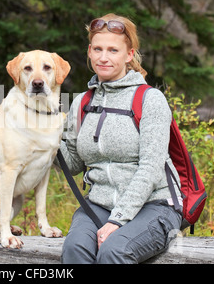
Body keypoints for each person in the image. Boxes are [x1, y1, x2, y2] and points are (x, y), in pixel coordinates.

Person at [60, 13, 182, 264]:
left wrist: (119, 219)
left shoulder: (149, 100)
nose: (104, 57)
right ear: (90, 52)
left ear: (129, 55)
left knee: (114, 251)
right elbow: (72, 165)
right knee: (74, 249)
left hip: (155, 206)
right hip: (99, 204)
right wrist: (45, 137)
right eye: (98, 49)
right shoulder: (82, 102)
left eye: (113, 50)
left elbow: (150, 168)